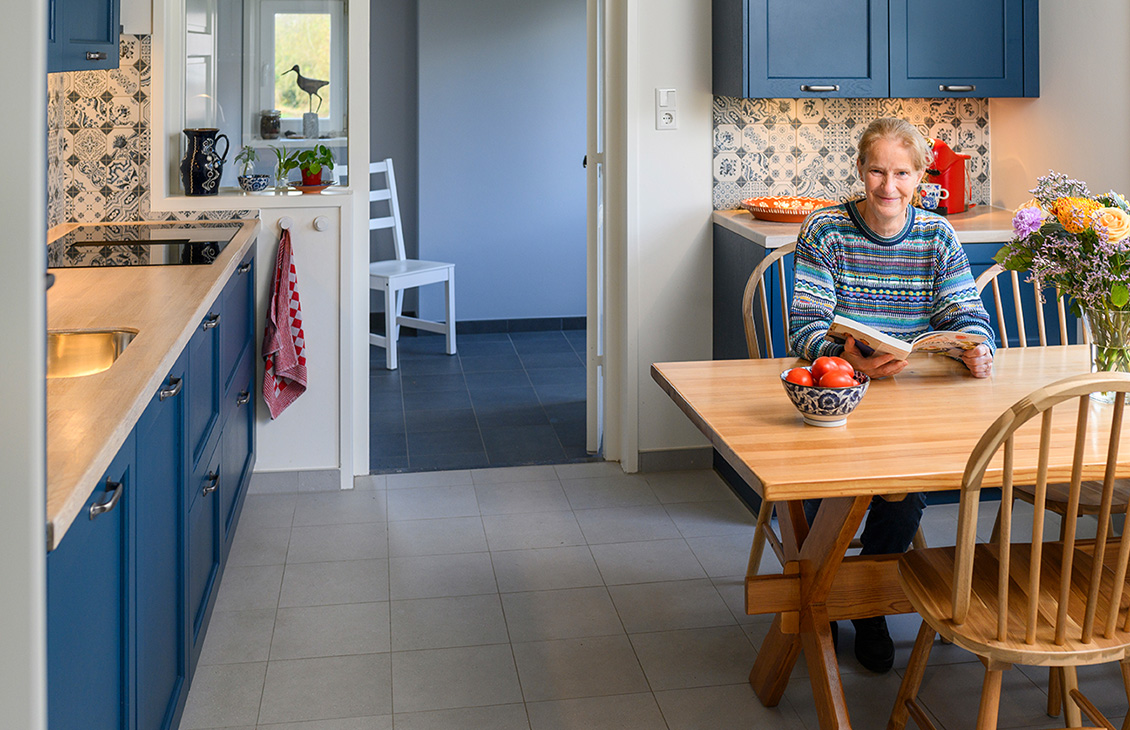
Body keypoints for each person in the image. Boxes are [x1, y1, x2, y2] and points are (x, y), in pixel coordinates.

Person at [787, 117, 995, 674]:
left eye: (901, 173)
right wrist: (847, 361)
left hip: (907, 396)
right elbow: (804, 325)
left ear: (920, 176)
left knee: (905, 497)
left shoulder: (935, 234)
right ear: (859, 170)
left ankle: (869, 604)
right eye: (876, 171)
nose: (888, 187)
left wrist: (975, 346)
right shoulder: (825, 229)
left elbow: (967, 314)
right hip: (837, 391)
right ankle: (823, 593)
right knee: (819, 491)